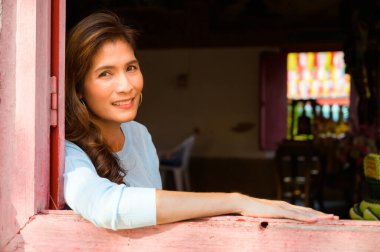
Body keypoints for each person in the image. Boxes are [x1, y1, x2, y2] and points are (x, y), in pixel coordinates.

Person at [64, 11, 337, 230]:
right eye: (105, 74)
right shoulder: (67, 150)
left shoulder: (139, 135)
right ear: (79, 88)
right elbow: (108, 208)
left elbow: (151, 218)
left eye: (131, 68)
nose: (126, 86)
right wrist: (237, 201)